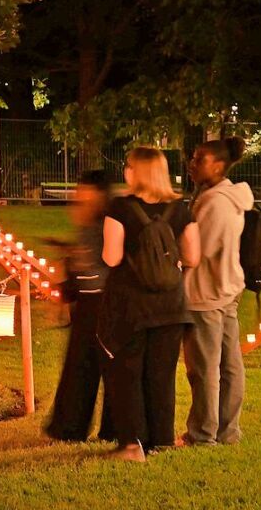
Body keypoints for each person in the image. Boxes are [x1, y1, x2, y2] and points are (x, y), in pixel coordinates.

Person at [99, 147, 200, 461]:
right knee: (161, 374)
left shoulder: (120, 208)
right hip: (171, 305)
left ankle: (133, 445)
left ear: (136, 171)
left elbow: (111, 257)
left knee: (128, 373)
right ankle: (162, 441)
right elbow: (193, 257)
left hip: (131, 305)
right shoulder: (180, 209)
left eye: (128, 165)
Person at [183, 137, 252, 446]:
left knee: (205, 369)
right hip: (226, 291)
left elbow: (197, 252)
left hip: (206, 293)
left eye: (199, 159)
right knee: (229, 365)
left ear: (219, 165)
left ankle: (203, 434)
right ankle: (227, 432)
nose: (192, 164)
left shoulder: (214, 203)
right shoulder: (230, 197)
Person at [45, 170, 115, 442]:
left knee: (102, 365)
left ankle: (111, 428)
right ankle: (70, 427)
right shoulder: (86, 221)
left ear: (98, 193)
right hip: (86, 301)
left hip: (104, 300)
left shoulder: (105, 221)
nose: (77, 195)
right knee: (79, 366)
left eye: (83, 190)